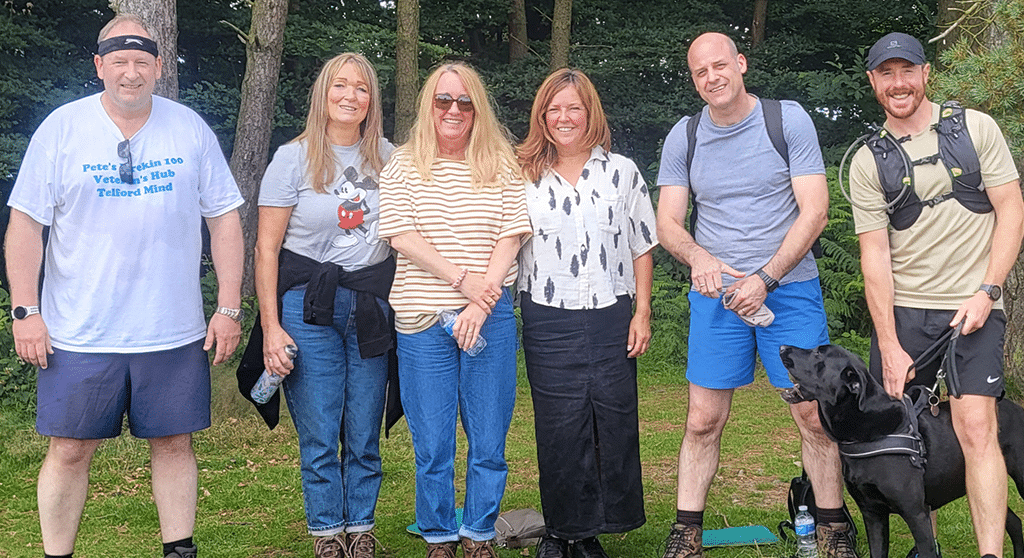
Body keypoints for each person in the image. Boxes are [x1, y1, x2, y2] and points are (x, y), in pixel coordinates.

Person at [4, 14, 243, 558]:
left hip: (172, 329)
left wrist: (228, 306)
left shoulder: (189, 129)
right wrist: (26, 311)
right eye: (119, 63)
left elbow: (225, 219)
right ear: (99, 66)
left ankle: (178, 550)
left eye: (141, 63)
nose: (130, 74)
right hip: (79, 332)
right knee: (68, 449)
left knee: (174, 443)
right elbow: (25, 225)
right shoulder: (62, 129)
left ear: (159, 67)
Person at [655, 32, 854, 558]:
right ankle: (686, 533)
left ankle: (834, 529)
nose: (712, 78)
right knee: (702, 419)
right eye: (700, 72)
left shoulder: (786, 120)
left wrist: (763, 278)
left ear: (740, 64)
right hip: (717, 298)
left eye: (720, 65)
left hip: (788, 290)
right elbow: (668, 223)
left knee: (812, 414)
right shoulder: (685, 135)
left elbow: (815, 211)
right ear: (694, 79)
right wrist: (699, 258)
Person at [850, 32, 1023, 558]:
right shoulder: (866, 161)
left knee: (977, 427)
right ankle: (924, 546)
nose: (898, 83)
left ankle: (990, 553)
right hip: (905, 316)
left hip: (974, 306)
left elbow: (1011, 210)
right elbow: (874, 256)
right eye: (886, 73)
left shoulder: (975, 128)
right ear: (873, 82)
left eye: (907, 71)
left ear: (926, 74)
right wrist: (889, 343)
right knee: (897, 437)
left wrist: (987, 291)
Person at [377, 62, 531, 558]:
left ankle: (480, 534)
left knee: (488, 438)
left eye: (465, 102)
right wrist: (463, 282)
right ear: (429, 104)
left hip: (489, 319)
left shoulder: (502, 161)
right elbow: (401, 234)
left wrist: (481, 303)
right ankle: (439, 535)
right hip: (422, 322)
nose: (454, 110)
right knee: (433, 444)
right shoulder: (403, 163)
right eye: (444, 100)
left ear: (477, 109)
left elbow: (513, 234)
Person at [254, 52, 395, 558]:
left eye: (361, 88)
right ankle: (326, 533)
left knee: (362, 428)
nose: (350, 96)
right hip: (307, 307)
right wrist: (271, 327)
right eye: (340, 85)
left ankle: (360, 527)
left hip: (370, 307)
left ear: (371, 100)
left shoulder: (390, 157)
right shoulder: (292, 158)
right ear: (323, 93)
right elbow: (267, 248)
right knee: (318, 429)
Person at [515, 68, 657, 558]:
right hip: (547, 316)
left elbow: (642, 246)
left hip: (610, 314)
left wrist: (643, 312)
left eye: (573, 107)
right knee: (559, 425)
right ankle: (560, 530)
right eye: (553, 109)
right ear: (541, 117)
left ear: (590, 112)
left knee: (609, 421)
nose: (563, 117)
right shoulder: (522, 173)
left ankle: (593, 530)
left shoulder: (623, 171)